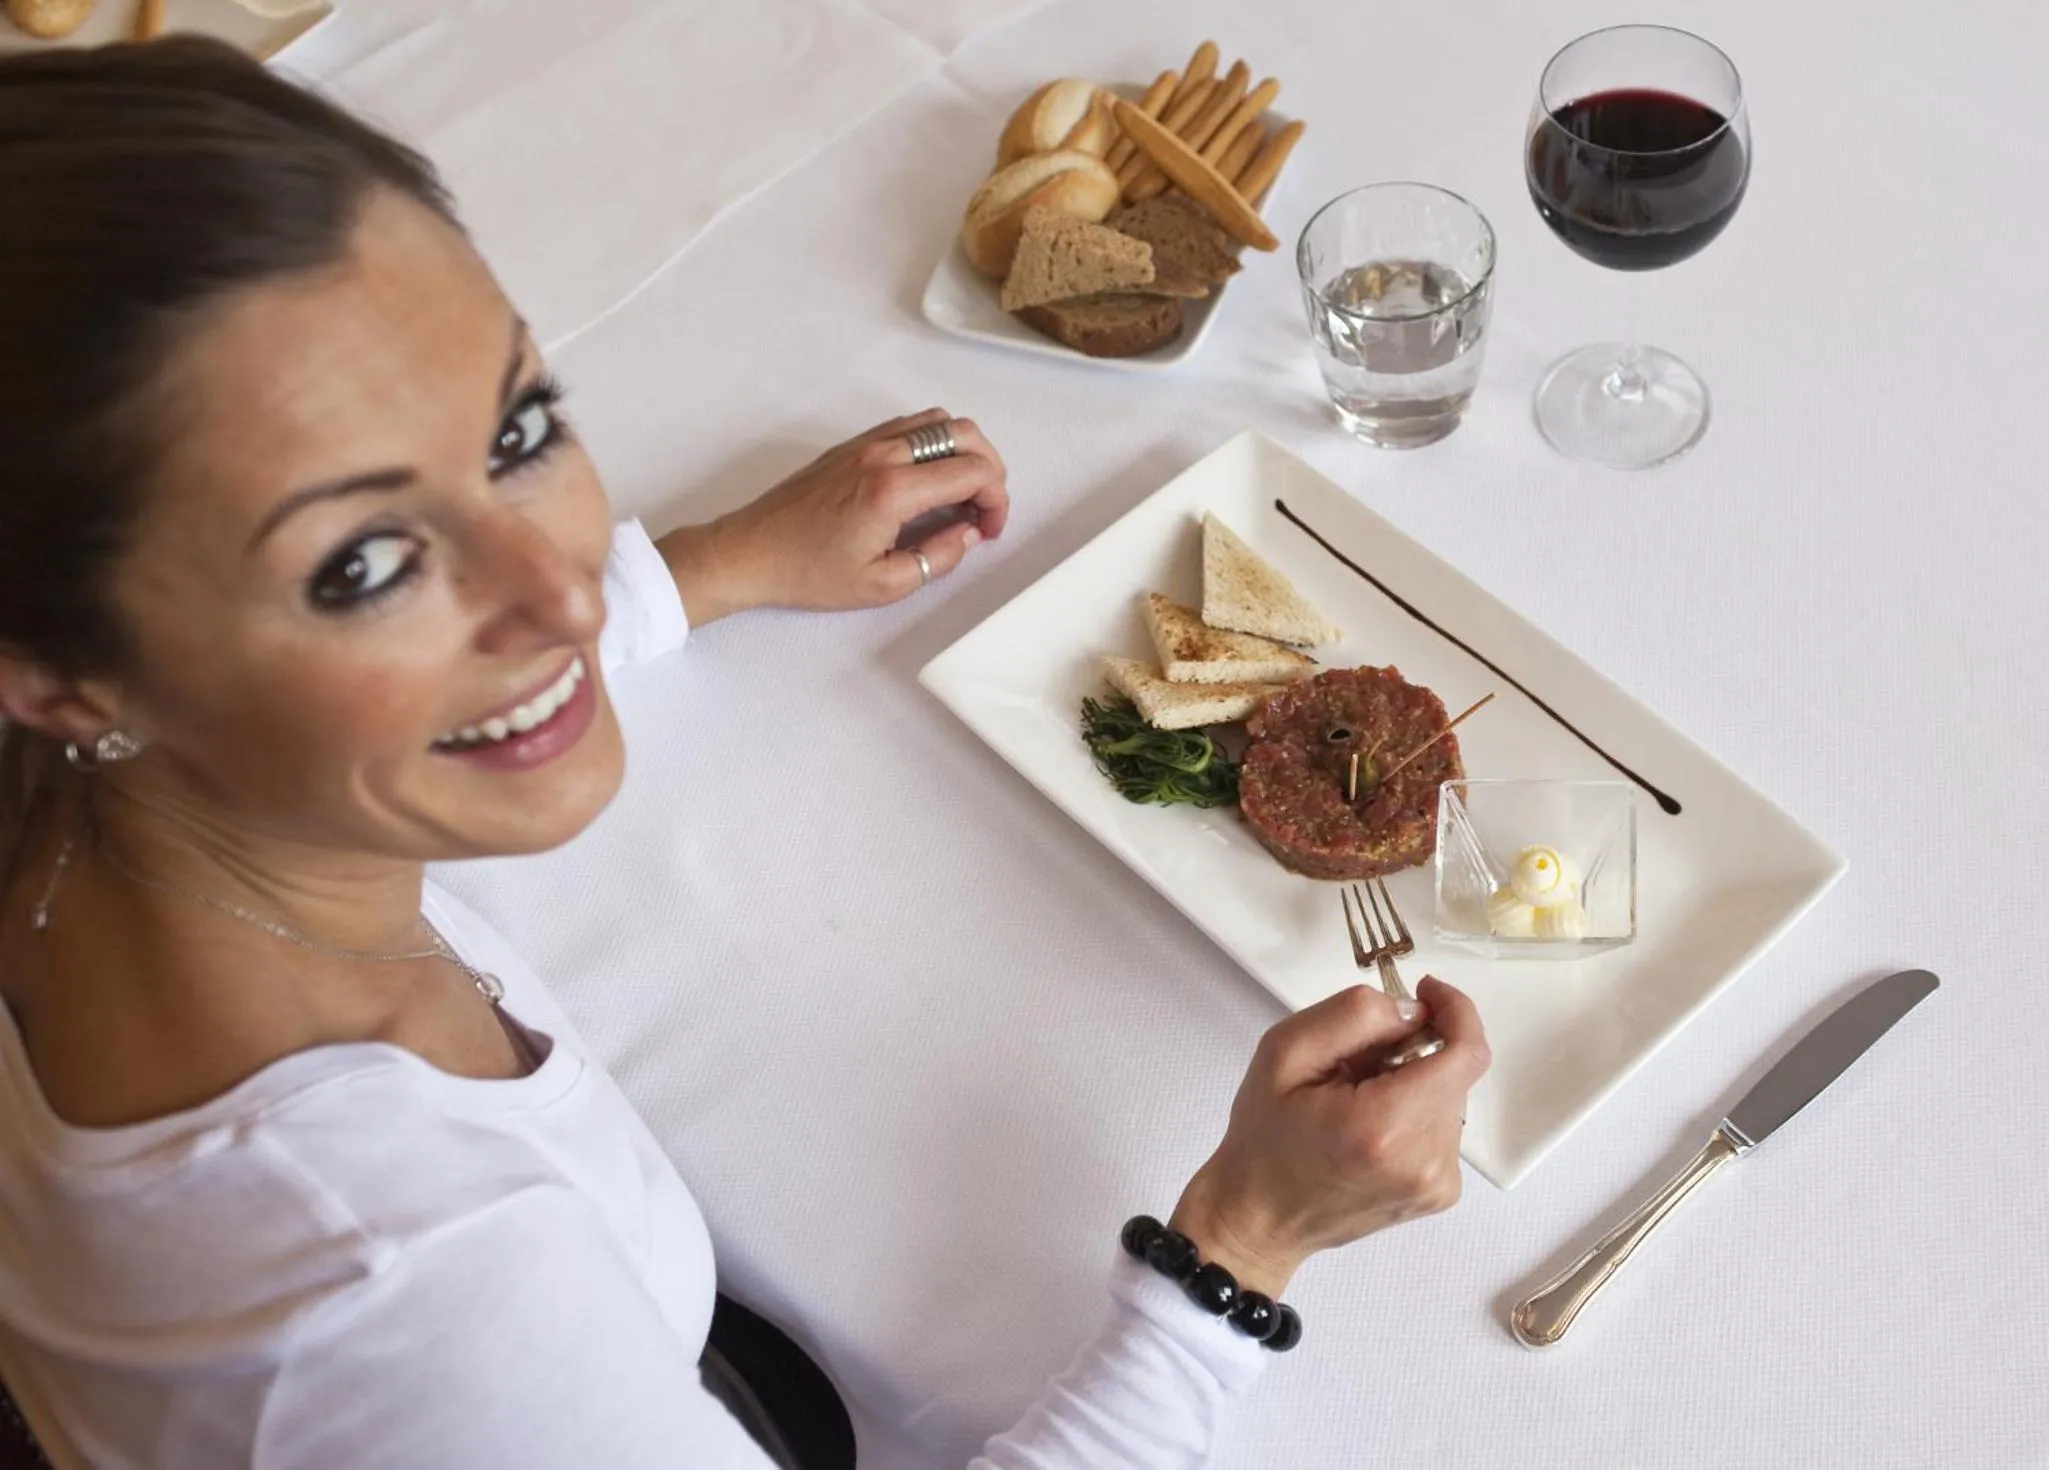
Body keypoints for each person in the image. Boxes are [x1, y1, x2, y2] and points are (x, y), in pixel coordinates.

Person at [0, 38, 1490, 1470]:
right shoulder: (400, 1296)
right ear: (62, 676)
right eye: (362, 565)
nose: (561, 591)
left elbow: (452, 641)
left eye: (518, 428)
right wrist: (1244, 1241)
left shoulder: (86, 794)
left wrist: (709, 567)